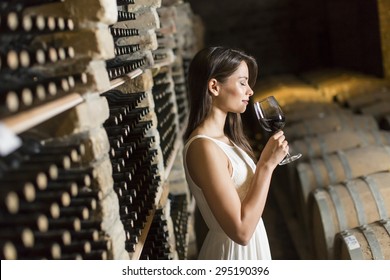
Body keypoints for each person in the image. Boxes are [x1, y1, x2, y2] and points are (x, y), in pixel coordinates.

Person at [183, 46, 289, 260]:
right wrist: (266, 166)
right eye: (242, 82)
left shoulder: (227, 139)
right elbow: (241, 231)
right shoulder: (203, 148)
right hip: (233, 255)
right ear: (214, 86)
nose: (250, 91)